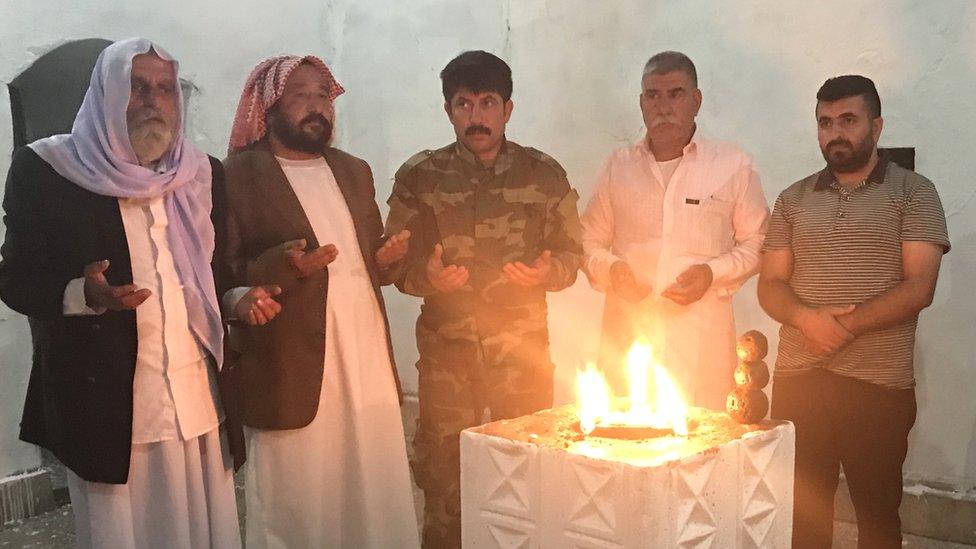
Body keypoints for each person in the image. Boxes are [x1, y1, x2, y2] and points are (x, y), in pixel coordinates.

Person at [0, 38, 258, 548]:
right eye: (136, 86)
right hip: (109, 403)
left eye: (164, 89)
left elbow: (215, 273)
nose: (151, 100)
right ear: (105, 92)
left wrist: (236, 298)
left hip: (197, 399)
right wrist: (83, 294)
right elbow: (17, 277)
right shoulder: (50, 170)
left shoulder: (201, 173)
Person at [385, 49, 583, 548]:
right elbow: (391, 265)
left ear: (508, 109)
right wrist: (427, 279)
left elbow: (571, 255)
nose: (477, 117)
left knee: (529, 468)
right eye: (464, 105)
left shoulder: (544, 176)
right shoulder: (419, 178)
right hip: (447, 355)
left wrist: (547, 271)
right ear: (448, 110)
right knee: (444, 472)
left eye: (488, 103)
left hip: (521, 353)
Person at [221, 54, 419, 548]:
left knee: (373, 485)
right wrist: (284, 268)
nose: (317, 107)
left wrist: (389, 257)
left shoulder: (354, 170)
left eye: (323, 96)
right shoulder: (236, 175)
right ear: (269, 107)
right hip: (290, 364)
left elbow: (370, 256)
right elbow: (222, 272)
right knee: (298, 500)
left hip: (364, 352)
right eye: (301, 95)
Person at [758, 75, 950, 548]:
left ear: (877, 126)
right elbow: (770, 285)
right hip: (799, 380)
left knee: (877, 515)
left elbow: (919, 287)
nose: (835, 133)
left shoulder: (914, 193)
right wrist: (807, 321)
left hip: (877, 384)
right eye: (825, 123)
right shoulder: (793, 199)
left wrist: (840, 327)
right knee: (802, 514)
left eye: (848, 120)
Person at [580, 51, 769, 408]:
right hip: (629, 339)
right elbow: (588, 241)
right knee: (624, 451)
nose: (663, 107)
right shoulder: (616, 168)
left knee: (703, 450)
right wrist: (613, 270)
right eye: (653, 95)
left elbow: (757, 243)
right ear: (641, 103)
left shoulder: (732, 165)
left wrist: (710, 273)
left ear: (696, 101)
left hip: (700, 344)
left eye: (675, 94)